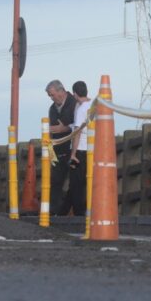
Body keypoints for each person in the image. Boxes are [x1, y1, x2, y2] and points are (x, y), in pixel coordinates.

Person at [45, 80, 76, 215]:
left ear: (61, 91)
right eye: (50, 96)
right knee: (55, 182)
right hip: (56, 150)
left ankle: (67, 211)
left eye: (52, 95)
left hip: (73, 148)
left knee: (76, 181)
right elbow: (55, 129)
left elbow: (69, 126)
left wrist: (63, 127)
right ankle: (55, 212)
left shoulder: (73, 103)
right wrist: (62, 127)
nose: (52, 98)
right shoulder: (52, 108)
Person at [67, 81, 92, 217]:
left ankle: (79, 215)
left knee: (76, 185)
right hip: (93, 149)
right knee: (87, 182)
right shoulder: (95, 105)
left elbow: (77, 133)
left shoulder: (82, 109)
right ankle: (62, 211)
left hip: (81, 150)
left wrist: (73, 153)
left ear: (75, 94)